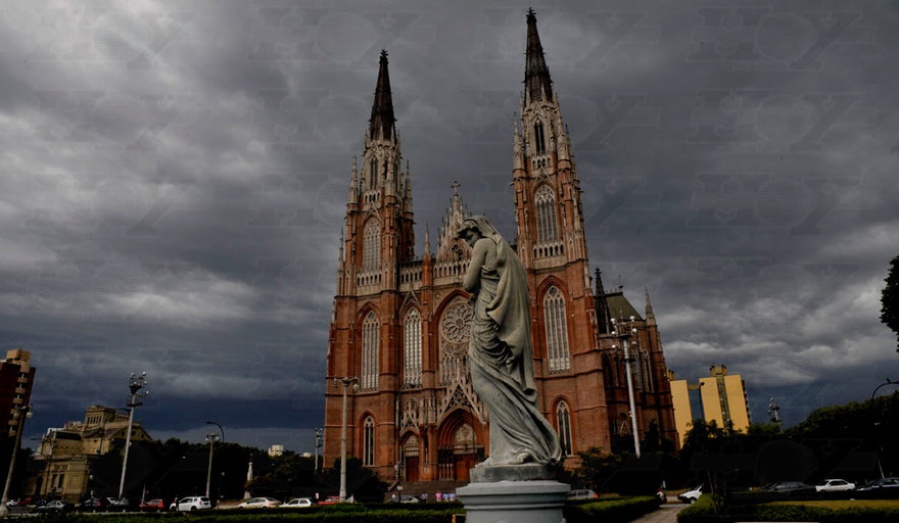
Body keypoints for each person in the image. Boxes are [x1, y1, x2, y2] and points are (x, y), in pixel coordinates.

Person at [458, 216, 562, 466]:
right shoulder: (507, 252)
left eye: (469, 237)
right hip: (500, 324)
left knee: (483, 383)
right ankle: (504, 451)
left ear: (478, 231)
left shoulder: (483, 245)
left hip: (487, 321)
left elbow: (468, 283)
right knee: (502, 386)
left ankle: (521, 444)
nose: (469, 244)